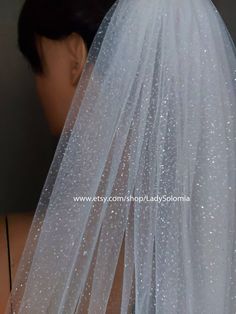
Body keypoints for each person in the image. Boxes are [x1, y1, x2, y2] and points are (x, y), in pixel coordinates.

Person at [5, 0, 236, 313]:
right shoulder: (212, 252)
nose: (38, 84)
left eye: (37, 63)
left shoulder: (12, 252)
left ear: (75, 56)